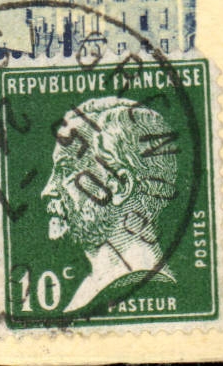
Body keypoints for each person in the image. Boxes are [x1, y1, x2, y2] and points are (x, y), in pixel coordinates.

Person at [41, 95, 179, 312]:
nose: (47, 191)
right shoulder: (92, 287)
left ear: (120, 186)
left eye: (66, 170)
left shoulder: (143, 286)